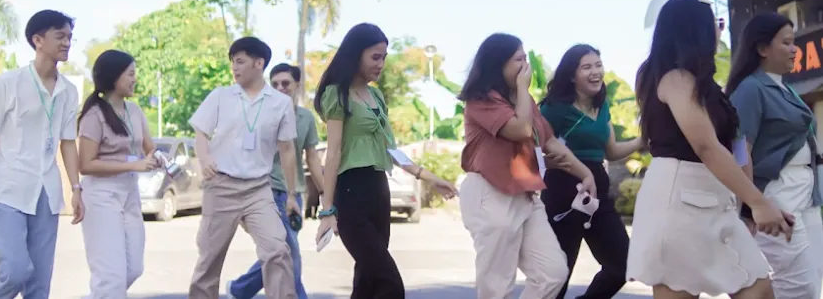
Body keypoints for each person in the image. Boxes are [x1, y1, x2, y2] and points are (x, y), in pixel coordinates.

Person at [626, 0, 794, 299]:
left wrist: (750, 205)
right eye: (716, 23)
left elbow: (736, 147)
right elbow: (705, 145)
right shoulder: (674, 79)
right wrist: (757, 202)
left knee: (758, 289)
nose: (720, 30)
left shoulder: (707, 87)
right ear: (696, 29)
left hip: (718, 201)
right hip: (678, 202)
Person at [314, 23, 457, 299]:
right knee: (390, 285)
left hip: (378, 190)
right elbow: (333, 153)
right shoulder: (337, 94)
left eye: (384, 57)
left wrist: (430, 178)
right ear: (356, 55)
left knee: (367, 284)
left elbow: (392, 150)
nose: (380, 64)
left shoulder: (376, 96)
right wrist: (327, 210)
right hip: (351, 193)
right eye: (375, 57)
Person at [457, 33, 596, 299]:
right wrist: (523, 88)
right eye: (519, 60)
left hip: (525, 195)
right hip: (490, 194)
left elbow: (549, 140)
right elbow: (521, 129)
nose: (526, 66)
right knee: (497, 285)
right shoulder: (481, 100)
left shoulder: (524, 101)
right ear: (499, 64)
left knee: (553, 273)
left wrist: (585, 173)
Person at [0, 9, 84, 299]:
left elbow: (68, 142)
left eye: (70, 37)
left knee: (39, 284)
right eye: (60, 36)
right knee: (16, 270)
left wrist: (76, 188)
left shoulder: (69, 91)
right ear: (38, 40)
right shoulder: (8, 83)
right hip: (7, 190)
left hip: (47, 193)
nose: (67, 42)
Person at [187, 37, 300, 299]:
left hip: (258, 190)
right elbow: (201, 133)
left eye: (240, 61)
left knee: (277, 249)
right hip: (221, 186)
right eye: (233, 62)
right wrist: (205, 159)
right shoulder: (221, 96)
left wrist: (292, 194)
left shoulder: (280, 103)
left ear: (259, 64)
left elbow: (287, 149)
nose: (234, 68)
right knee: (210, 258)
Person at [726, 12, 823, 299]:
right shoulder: (750, 88)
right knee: (799, 285)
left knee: (813, 279)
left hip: (806, 194)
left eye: (794, 43)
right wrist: (751, 203)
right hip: (778, 194)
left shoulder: (785, 87)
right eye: (786, 43)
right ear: (762, 48)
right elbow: (739, 149)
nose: (795, 50)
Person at [540, 44, 644, 299]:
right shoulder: (555, 108)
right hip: (563, 188)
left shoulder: (602, 106)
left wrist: (643, 140)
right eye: (586, 67)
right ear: (571, 75)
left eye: (598, 65)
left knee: (623, 264)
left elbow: (612, 151)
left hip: (598, 186)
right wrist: (553, 163)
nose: (595, 71)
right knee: (560, 273)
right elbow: (535, 148)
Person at [228, 63, 324, 299]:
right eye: (275, 84)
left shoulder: (305, 118)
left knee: (279, 252)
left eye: (286, 83)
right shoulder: (259, 115)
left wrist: (326, 193)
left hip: (294, 194)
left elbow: (312, 157)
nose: (280, 88)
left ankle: (240, 289)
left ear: (297, 85)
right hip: (265, 191)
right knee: (288, 251)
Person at [78, 49, 162, 298]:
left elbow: (149, 147)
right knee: (110, 276)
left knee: (133, 268)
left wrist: (155, 158)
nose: (135, 79)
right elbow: (86, 164)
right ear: (114, 77)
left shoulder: (134, 111)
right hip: (101, 195)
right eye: (131, 74)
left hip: (129, 193)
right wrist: (132, 165)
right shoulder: (94, 115)